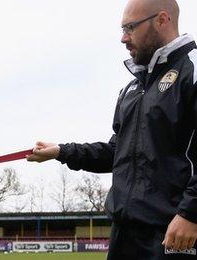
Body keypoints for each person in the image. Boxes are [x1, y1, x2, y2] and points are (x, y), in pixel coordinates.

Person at [27, 0, 197, 259]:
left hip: (175, 231)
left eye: (130, 27)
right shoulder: (131, 89)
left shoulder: (192, 70)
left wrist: (190, 213)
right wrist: (61, 152)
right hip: (125, 234)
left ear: (162, 20)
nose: (123, 38)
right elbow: (117, 153)